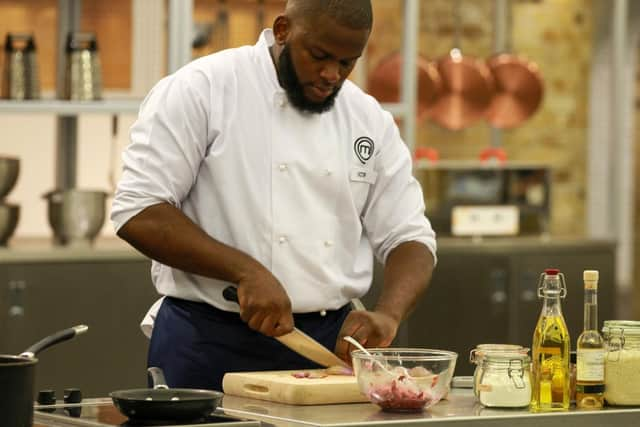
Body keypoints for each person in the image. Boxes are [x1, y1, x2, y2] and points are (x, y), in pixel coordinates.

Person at [111, 0, 436, 392]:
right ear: (283, 30)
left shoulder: (368, 119)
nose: (331, 74)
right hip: (208, 342)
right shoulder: (204, 89)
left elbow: (410, 237)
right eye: (318, 56)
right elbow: (139, 210)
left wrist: (388, 313)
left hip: (326, 349)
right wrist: (244, 271)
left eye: (347, 63)